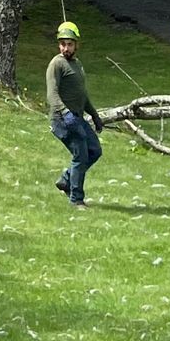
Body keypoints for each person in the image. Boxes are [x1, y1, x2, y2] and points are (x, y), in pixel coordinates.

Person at [46, 17, 102, 206]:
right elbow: (52, 94)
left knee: (95, 150)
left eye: (69, 44)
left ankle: (66, 179)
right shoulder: (57, 64)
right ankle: (76, 200)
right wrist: (65, 113)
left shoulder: (77, 64)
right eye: (62, 44)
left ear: (76, 45)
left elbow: (82, 94)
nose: (65, 48)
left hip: (77, 118)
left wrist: (94, 115)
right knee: (81, 155)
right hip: (62, 120)